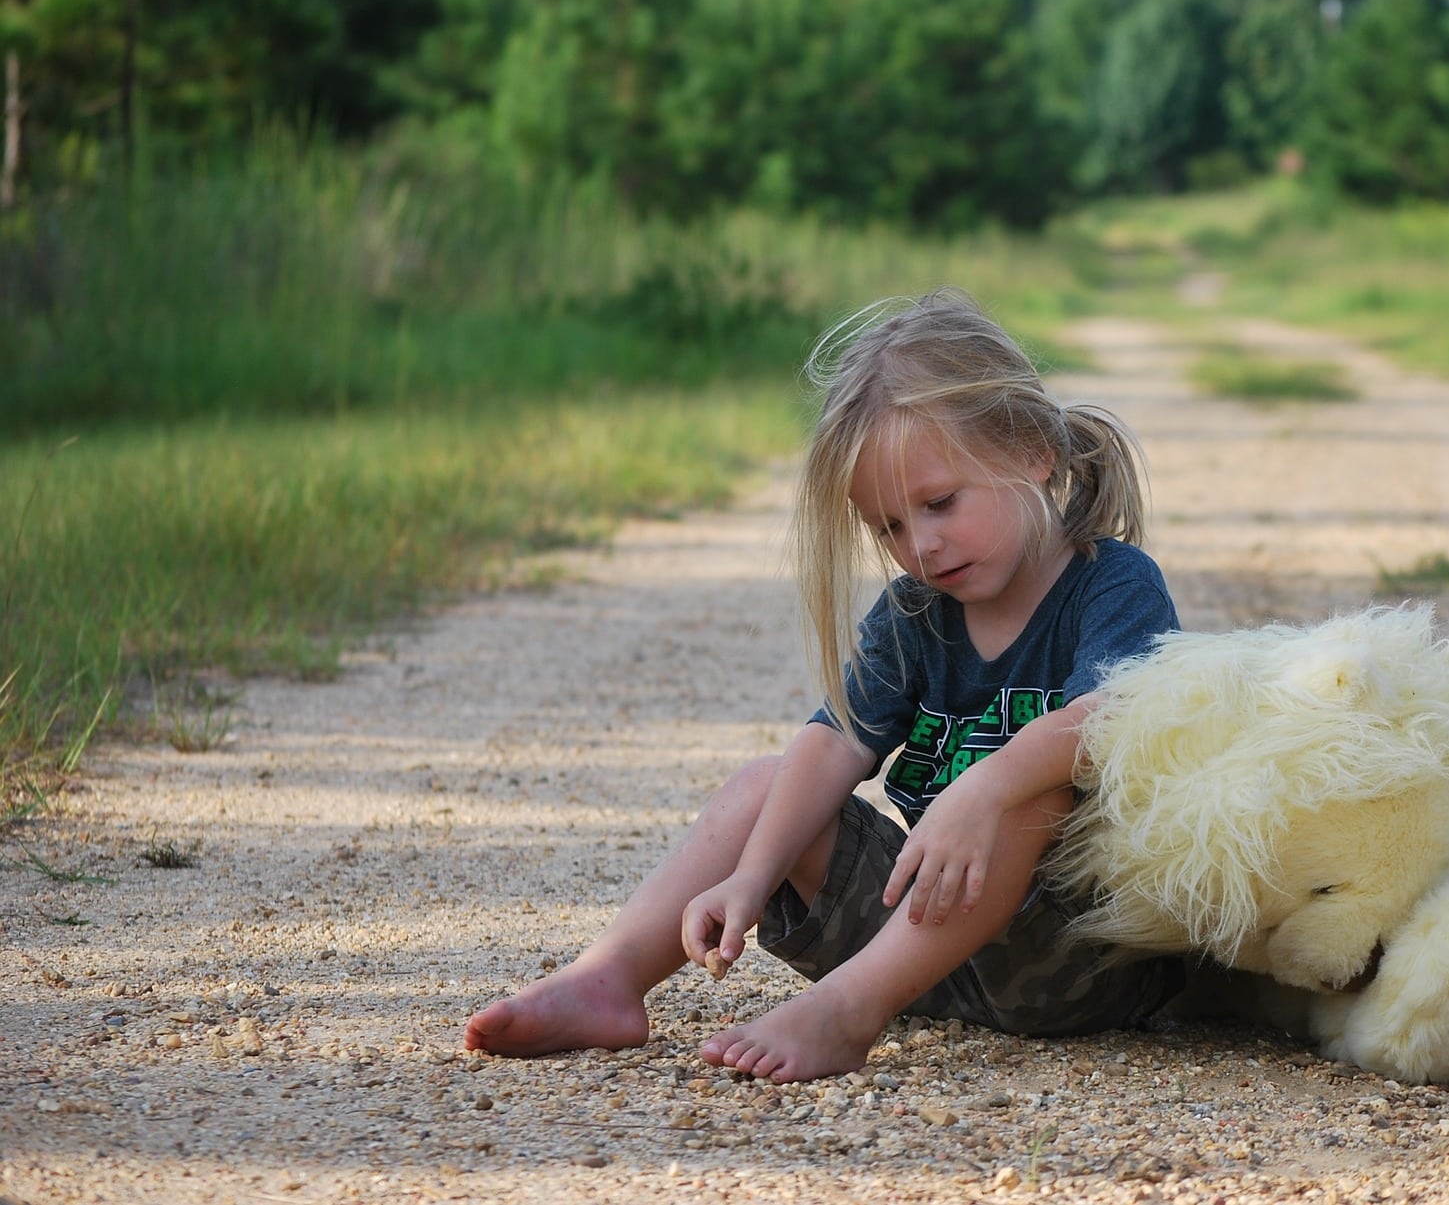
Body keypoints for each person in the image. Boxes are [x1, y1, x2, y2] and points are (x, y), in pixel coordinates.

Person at [463, 289, 1184, 1083]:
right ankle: (607, 977)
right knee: (765, 788)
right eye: (890, 527)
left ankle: (848, 1011)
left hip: (1078, 960)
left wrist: (984, 786)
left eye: (940, 502)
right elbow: (837, 738)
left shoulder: (1110, 583)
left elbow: (1111, 717)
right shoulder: (918, 609)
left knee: (1035, 791)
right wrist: (750, 871)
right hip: (926, 946)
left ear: (1029, 451)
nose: (923, 545)